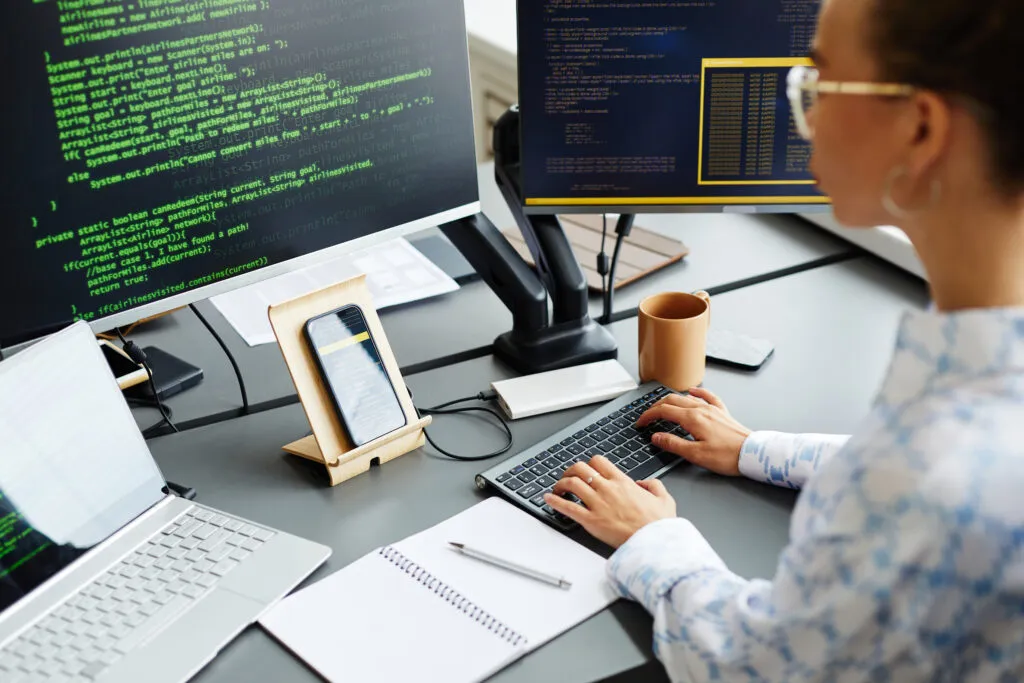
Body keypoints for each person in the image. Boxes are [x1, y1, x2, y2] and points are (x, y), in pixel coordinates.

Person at [543, 0, 1024, 679]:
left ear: (920, 129)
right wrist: (756, 450)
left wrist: (654, 538)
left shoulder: (928, 474)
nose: (801, 112)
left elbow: (760, 665)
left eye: (817, 81)